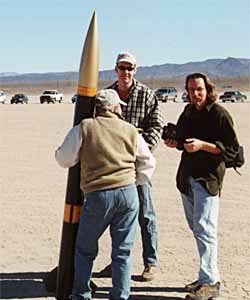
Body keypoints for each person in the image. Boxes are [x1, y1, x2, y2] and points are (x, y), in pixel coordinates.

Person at [55, 89, 155, 300]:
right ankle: (120, 295)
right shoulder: (130, 130)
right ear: (115, 107)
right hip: (128, 194)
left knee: (85, 249)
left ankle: (82, 293)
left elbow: (64, 159)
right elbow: (148, 163)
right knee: (123, 251)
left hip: (98, 195)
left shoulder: (86, 127)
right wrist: (133, 181)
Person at [164, 73, 240, 300]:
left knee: (205, 229)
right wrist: (174, 142)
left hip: (208, 179)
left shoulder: (219, 114)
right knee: (197, 228)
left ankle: (210, 282)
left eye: (199, 89)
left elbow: (232, 150)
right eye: (191, 90)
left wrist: (203, 146)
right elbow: (182, 141)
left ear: (208, 89)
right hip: (187, 178)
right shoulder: (187, 112)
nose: (195, 94)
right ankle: (206, 275)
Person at [98, 52, 164, 282]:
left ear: (135, 70)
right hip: (112, 167)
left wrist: (141, 148)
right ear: (115, 68)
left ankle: (150, 262)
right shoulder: (107, 95)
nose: (125, 72)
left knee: (145, 213)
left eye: (130, 68)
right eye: (121, 67)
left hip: (137, 166)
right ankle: (118, 261)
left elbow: (157, 125)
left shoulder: (146, 95)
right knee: (116, 215)